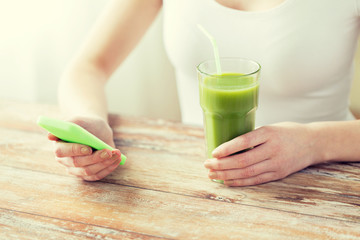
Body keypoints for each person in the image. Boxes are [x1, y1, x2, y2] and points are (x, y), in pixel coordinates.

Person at [50, 0, 360, 185]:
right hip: (203, 180)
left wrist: (314, 143)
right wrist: (89, 123)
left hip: (329, 181)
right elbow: (88, 66)